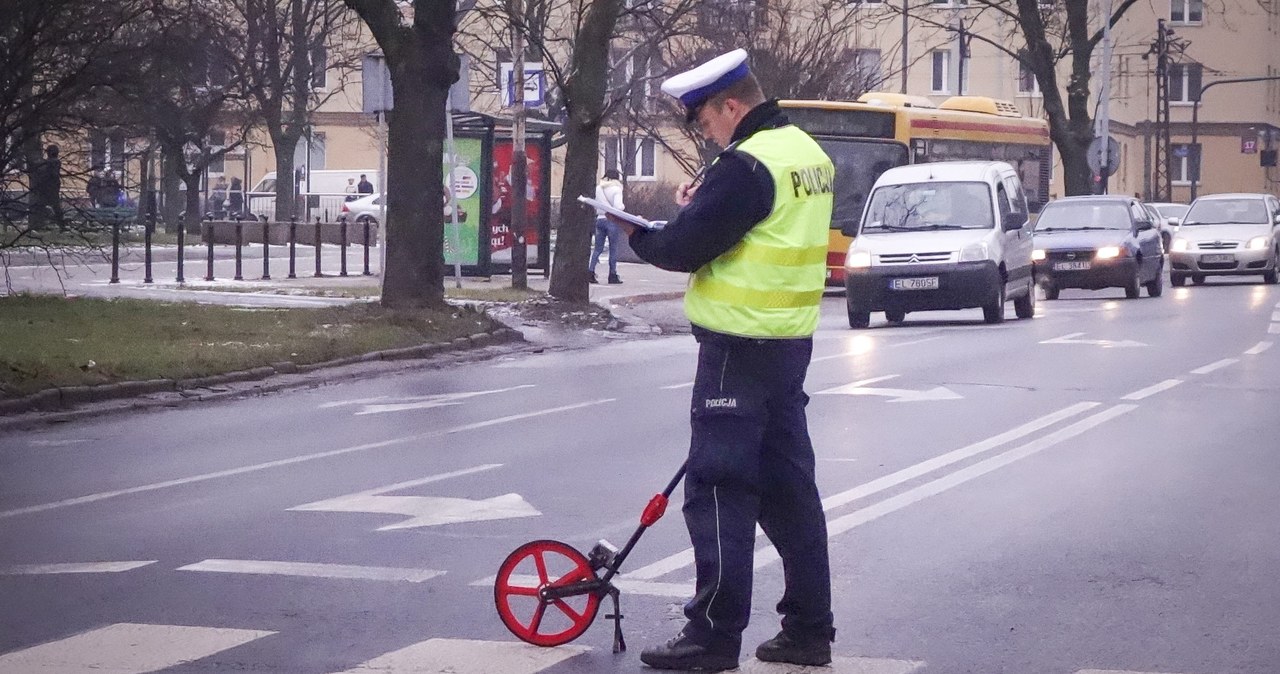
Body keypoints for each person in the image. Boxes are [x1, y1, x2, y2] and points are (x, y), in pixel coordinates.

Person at [611, 49, 836, 671]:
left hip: (737, 352)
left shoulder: (747, 165)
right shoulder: (805, 154)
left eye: (705, 121)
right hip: (789, 348)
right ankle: (809, 630)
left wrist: (637, 233)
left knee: (718, 491)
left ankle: (712, 637)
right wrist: (704, 199)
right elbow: (759, 227)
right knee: (790, 492)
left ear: (730, 105)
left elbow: (686, 248)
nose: (704, 134)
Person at [589, 168, 625, 284]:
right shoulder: (616, 189)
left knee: (597, 249)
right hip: (612, 221)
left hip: (599, 220)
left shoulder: (598, 188)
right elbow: (618, 207)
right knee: (613, 249)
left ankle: (590, 272)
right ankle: (612, 275)